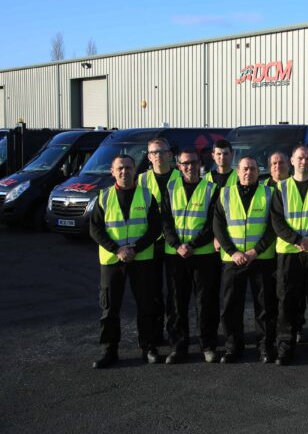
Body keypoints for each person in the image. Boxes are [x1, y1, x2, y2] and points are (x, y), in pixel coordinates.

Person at [90, 155, 163, 368]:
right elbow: (95, 229)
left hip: (141, 259)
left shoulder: (147, 195)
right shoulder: (103, 197)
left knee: (146, 305)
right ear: (112, 172)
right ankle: (109, 350)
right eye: (120, 168)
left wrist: (134, 249)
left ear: (135, 171)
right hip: (113, 260)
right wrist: (118, 249)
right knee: (110, 308)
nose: (125, 172)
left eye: (129, 168)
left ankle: (148, 348)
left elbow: (155, 228)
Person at [214, 156, 278, 364]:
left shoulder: (269, 193)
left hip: (261, 258)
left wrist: (254, 251)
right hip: (233, 260)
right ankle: (233, 348)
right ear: (237, 171)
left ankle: (265, 347)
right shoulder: (225, 194)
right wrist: (233, 252)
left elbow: (273, 227)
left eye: (252, 169)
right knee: (231, 306)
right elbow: (218, 227)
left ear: (258, 172)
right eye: (244, 169)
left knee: (265, 306)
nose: (248, 172)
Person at [271, 146, 308, 366]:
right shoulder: (281, 187)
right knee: (287, 301)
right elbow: (277, 220)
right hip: (289, 253)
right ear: (292, 161)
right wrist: (297, 239)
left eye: (307, 158)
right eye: (299, 158)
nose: (303, 162)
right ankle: (285, 347)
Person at [161, 149, 221, 364]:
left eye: (193, 162)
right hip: (175, 255)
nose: (190, 167)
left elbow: (213, 223)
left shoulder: (211, 189)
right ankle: (178, 347)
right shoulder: (170, 188)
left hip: (203, 255)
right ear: (178, 166)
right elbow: (165, 221)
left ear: (200, 164)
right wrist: (178, 245)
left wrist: (192, 245)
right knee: (176, 303)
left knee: (206, 303)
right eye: (185, 163)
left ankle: (208, 346)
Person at [138, 137, 181, 341]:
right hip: (150, 243)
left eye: (162, 151)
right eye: (154, 152)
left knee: (175, 292)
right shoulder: (141, 180)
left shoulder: (181, 177)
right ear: (148, 157)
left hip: (175, 243)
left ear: (170, 154)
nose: (158, 156)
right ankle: (154, 336)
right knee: (152, 292)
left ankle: (175, 335)